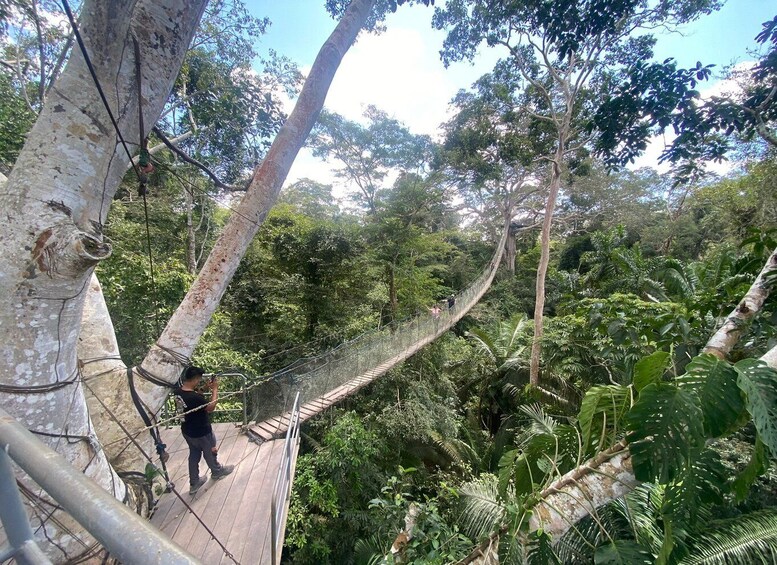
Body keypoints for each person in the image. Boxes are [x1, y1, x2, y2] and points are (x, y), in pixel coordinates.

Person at [173, 366, 234, 495]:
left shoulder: (178, 392)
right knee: (210, 451)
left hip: (187, 431)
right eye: (199, 380)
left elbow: (194, 396)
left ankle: (194, 482)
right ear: (195, 379)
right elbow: (210, 407)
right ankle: (217, 471)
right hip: (202, 432)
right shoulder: (195, 398)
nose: (199, 382)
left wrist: (206, 387)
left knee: (194, 454)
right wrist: (215, 389)